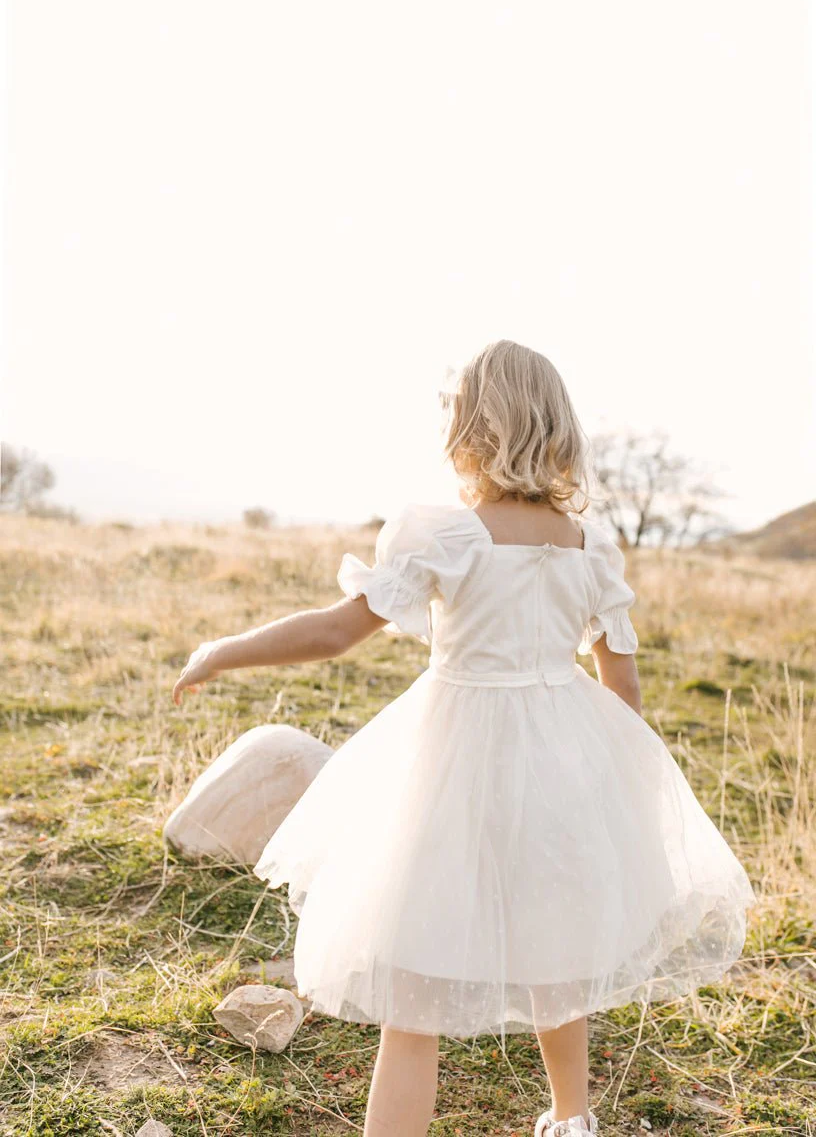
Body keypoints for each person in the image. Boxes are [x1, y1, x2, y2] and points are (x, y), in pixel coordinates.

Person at [173, 339, 756, 1137]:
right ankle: (570, 1117)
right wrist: (626, 791)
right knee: (559, 956)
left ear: (470, 428)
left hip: (451, 760)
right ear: (557, 428)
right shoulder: (589, 547)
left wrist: (223, 650)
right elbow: (622, 689)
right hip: (564, 760)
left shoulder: (445, 533)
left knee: (413, 989)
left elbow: (339, 632)